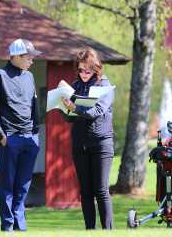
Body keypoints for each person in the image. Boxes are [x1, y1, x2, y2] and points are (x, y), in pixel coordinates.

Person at [0, 38, 41, 231]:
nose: (32, 61)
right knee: (8, 184)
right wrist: (0, 135)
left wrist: (35, 132)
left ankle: (20, 225)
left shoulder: (30, 77)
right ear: (16, 56)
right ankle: (7, 226)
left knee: (23, 185)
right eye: (29, 57)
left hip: (30, 138)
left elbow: (34, 106)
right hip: (9, 138)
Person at [61, 47, 115, 229]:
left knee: (101, 190)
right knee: (85, 191)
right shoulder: (75, 86)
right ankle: (90, 230)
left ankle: (107, 231)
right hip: (80, 143)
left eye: (87, 70)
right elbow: (69, 118)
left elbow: (96, 111)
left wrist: (75, 108)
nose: (83, 74)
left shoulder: (105, 86)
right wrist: (64, 107)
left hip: (101, 143)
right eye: (80, 69)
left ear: (96, 68)